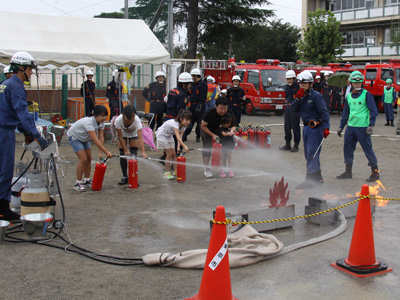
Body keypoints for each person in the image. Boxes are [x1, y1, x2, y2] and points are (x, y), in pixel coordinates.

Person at [0, 51, 48, 221]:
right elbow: (22, 112)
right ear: (21, 68)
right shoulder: (16, 85)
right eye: (29, 69)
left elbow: (12, 112)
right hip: (4, 132)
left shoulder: (5, 84)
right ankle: (3, 209)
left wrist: (26, 131)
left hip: (5, 128)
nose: (31, 73)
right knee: (5, 170)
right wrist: (36, 135)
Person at [336, 70, 380, 182]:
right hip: (350, 127)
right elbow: (346, 113)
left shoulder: (367, 94)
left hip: (363, 128)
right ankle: (348, 172)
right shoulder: (349, 97)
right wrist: (341, 126)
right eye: (355, 82)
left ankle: (375, 173)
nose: (357, 84)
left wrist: (371, 125)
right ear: (351, 83)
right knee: (347, 149)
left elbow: (374, 110)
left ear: (362, 82)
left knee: (367, 149)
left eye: (359, 82)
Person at [291, 70, 330, 189]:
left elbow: (324, 112)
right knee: (309, 153)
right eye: (300, 84)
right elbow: (293, 110)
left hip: (315, 128)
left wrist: (326, 127)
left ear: (311, 84)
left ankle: (309, 180)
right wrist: (297, 99)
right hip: (306, 127)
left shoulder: (316, 96)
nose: (302, 86)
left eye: (305, 83)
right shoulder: (301, 96)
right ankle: (318, 177)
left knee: (312, 154)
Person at [67, 105, 113, 192]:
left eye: (105, 115)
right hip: (75, 137)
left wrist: (101, 153)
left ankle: (87, 180)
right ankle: (78, 183)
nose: (104, 118)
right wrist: (107, 152)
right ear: (95, 115)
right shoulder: (89, 123)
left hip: (84, 138)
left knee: (89, 158)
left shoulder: (101, 122)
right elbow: (95, 140)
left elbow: (101, 137)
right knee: (83, 159)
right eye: (102, 115)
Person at [160, 72, 192, 165]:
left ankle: (165, 157)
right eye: (189, 84)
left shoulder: (172, 91)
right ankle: (173, 160)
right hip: (176, 121)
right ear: (184, 84)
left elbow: (165, 102)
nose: (190, 86)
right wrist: (184, 122)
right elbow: (181, 111)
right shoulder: (182, 95)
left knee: (169, 140)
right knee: (178, 140)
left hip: (168, 119)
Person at [201, 97, 236, 178]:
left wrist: (231, 131)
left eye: (225, 108)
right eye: (221, 108)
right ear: (216, 106)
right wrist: (213, 135)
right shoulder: (209, 113)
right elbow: (203, 126)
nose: (223, 111)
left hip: (223, 131)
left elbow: (234, 125)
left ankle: (222, 168)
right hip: (208, 129)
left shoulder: (230, 113)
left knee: (225, 148)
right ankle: (206, 169)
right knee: (208, 146)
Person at [114, 105, 149, 185]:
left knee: (134, 153)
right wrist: (126, 150)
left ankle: (133, 176)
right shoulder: (118, 120)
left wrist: (143, 152)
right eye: (129, 118)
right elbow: (119, 136)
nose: (131, 119)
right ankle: (124, 176)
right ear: (124, 115)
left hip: (133, 134)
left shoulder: (137, 120)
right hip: (123, 135)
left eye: (133, 117)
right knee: (122, 153)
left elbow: (140, 137)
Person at [156, 110, 192, 179]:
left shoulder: (184, 126)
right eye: (186, 120)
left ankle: (176, 171)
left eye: (189, 120)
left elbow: (180, 137)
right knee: (169, 154)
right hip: (162, 135)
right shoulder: (175, 123)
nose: (188, 122)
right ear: (181, 119)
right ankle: (166, 173)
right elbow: (177, 137)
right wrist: (184, 146)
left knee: (174, 154)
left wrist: (178, 147)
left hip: (169, 136)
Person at [184, 68, 207, 143]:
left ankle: (198, 135)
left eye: (193, 76)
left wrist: (200, 104)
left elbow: (203, 95)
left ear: (196, 76)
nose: (192, 78)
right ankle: (185, 135)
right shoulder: (192, 84)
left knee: (199, 122)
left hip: (200, 105)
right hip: (192, 105)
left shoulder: (203, 84)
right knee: (190, 120)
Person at [280, 70, 301, 152]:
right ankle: (287, 144)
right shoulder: (287, 87)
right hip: (288, 107)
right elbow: (286, 96)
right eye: (287, 79)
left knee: (295, 126)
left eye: (290, 79)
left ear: (293, 78)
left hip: (295, 108)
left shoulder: (297, 86)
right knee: (287, 127)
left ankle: (296, 144)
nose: (288, 80)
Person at [217, 114, 236, 178]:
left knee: (230, 157)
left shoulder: (230, 128)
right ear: (222, 123)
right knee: (222, 157)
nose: (226, 125)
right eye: (225, 124)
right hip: (223, 145)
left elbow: (233, 132)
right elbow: (223, 133)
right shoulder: (221, 128)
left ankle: (230, 170)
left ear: (230, 123)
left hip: (230, 144)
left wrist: (232, 133)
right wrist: (228, 133)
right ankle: (221, 171)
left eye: (228, 123)